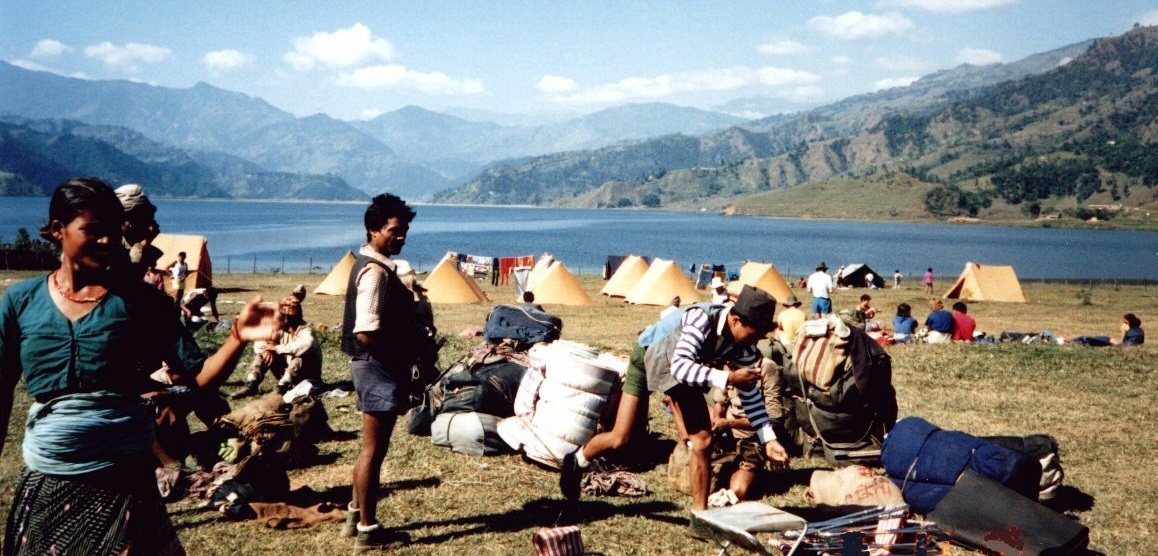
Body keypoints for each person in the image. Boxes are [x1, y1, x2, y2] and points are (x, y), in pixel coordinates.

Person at [0, 178, 281, 555]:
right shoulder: (21, 301)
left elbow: (196, 379)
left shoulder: (140, 302)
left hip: (125, 483)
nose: (106, 241)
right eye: (92, 230)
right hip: (50, 480)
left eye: (113, 232)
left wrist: (236, 337)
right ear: (57, 230)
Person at [560, 285, 789, 515]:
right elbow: (680, 368)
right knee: (620, 437)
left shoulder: (745, 346)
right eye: (753, 335)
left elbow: (750, 394)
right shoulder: (701, 319)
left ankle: (700, 516)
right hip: (649, 355)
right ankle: (577, 460)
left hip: (680, 369)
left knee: (702, 440)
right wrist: (728, 377)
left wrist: (767, 438)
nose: (754, 343)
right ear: (736, 320)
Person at [339, 193, 422, 551]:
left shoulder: (373, 263)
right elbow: (365, 331)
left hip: (371, 366)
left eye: (404, 231)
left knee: (369, 449)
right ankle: (368, 531)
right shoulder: (375, 273)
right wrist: (401, 359)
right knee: (374, 450)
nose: (400, 237)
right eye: (393, 231)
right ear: (373, 230)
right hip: (376, 366)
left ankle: (354, 515)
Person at [707, 357, 786, 504]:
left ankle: (753, 470)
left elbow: (773, 419)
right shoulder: (729, 365)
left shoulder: (767, 367)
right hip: (727, 435)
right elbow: (720, 400)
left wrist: (730, 423)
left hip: (753, 437)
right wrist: (717, 419)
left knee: (738, 491)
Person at [233, 296, 322, 398]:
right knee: (262, 355)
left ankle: (282, 387)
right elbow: (260, 341)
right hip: (287, 373)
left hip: (307, 379)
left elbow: (307, 344)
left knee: (299, 358)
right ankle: (251, 384)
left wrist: (277, 348)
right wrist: (267, 350)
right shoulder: (281, 328)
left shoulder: (305, 330)